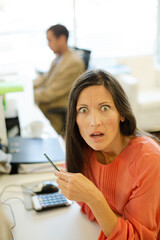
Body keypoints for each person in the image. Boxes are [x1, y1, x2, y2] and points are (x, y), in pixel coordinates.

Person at [54, 69, 160, 240]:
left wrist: (94, 198)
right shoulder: (86, 150)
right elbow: (86, 207)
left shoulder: (149, 159)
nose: (94, 122)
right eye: (83, 110)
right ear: (75, 119)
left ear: (122, 114)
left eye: (104, 108)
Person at [34, 24, 85, 135]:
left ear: (62, 39)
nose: (48, 45)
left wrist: (29, 95)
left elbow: (50, 94)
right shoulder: (59, 57)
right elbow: (44, 79)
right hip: (47, 105)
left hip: (54, 112)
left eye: (50, 40)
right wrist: (27, 86)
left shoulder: (73, 62)